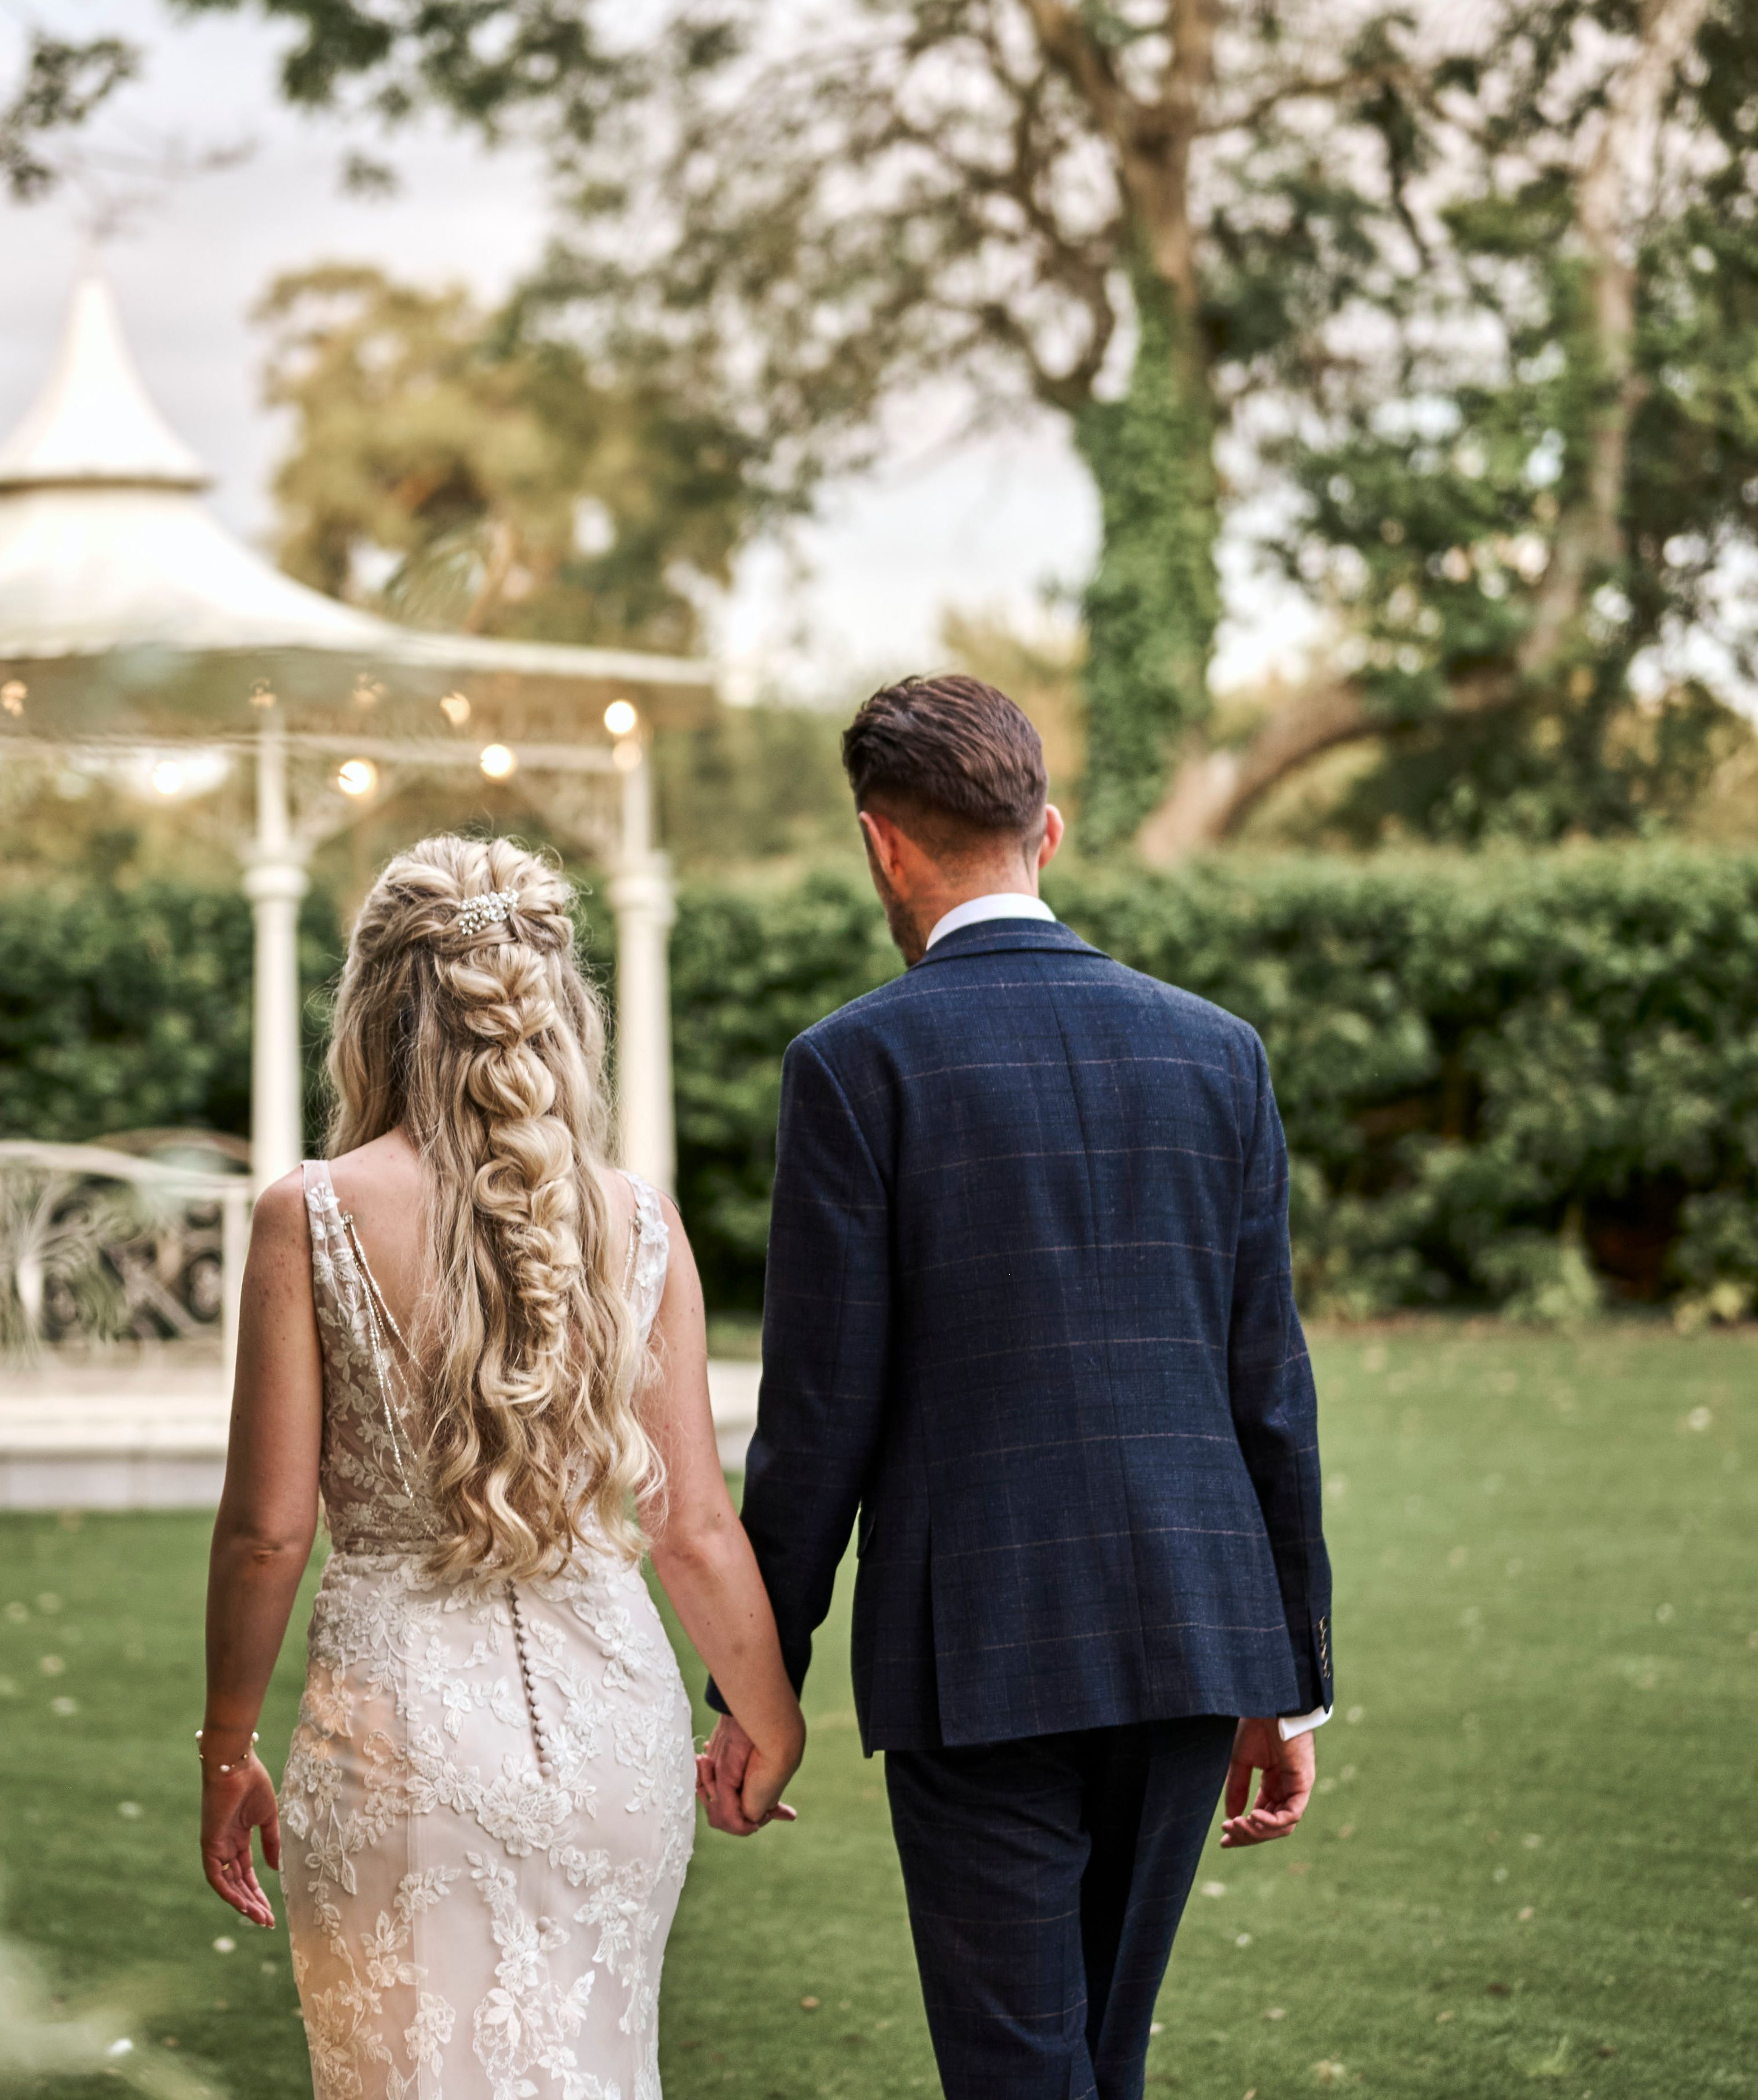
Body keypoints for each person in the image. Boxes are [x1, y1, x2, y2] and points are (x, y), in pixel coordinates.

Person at [699, 673, 1333, 2100]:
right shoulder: (1218, 1052)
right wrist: (1286, 1681)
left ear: (883, 846)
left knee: (1016, 2069)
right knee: (1100, 2057)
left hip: (974, 1649)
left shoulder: (852, 1067)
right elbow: (1269, 1392)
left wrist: (760, 1676)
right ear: (1044, 832)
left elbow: (815, 1420)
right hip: (1190, 1629)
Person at [198, 834, 806, 2098]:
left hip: (396, 1735)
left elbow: (267, 1528)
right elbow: (691, 1521)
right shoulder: (637, 1219)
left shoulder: (308, 1212)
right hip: (614, 1737)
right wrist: (767, 1715)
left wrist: (225, 1746)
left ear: (371, 1013)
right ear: (553, 1009)